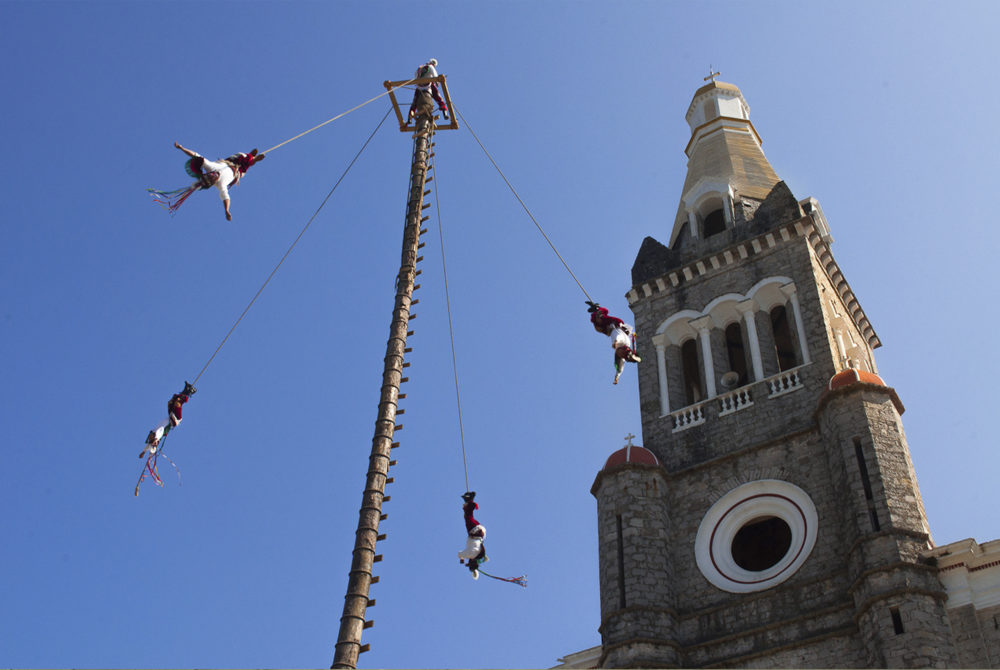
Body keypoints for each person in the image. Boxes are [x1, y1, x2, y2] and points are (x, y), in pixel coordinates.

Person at [166, 142, 265, 220]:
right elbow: (226, 197)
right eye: (213, 178)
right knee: (248, 164)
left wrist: (181, 148)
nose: (213, 175)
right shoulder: (220, 184)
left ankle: (250, 156)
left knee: (242, 155)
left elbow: (196, 156)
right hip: (238, 171)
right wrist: (227, 210)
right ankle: (253, 160)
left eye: (210, 175)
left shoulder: (211, 167)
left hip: (231, 161)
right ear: (213, 182)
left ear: (208, 174)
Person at [586, 301, 642, 384]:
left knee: (597, 327)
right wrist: (615, 343)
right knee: (600, 320)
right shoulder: (622, 342)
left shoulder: (621, 352)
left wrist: (617, 377)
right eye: (621, 353)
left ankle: (595, 309)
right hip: (615, 324)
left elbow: (620, 368)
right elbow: (618, 337)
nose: (619, 354)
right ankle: (597, 309)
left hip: (613, 328)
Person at [140, 382, 196, 458]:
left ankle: (186, 391)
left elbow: (147, 446)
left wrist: (143, 452)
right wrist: (155, 442)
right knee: (177, 403)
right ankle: (189, 393)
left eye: (149, 436)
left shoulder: (153, 431)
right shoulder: (158, 433)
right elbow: (154, 443)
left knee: (171, 402)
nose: (149, 436)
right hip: (175, 420)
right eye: (150, 437)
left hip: (171, 416)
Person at [457, 491, 488, 580]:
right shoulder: (471, 554)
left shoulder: (479, 556)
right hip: (475, 532)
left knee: (468, 517)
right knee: (468, 517)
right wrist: (462, 559)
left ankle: (469, 501)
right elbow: (460, 554)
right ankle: (470, 500)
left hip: (480, 532)